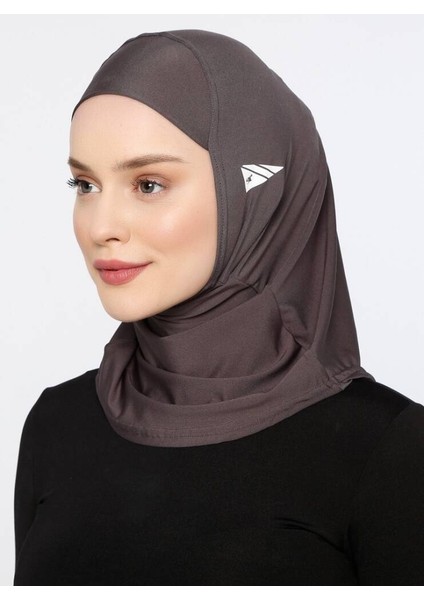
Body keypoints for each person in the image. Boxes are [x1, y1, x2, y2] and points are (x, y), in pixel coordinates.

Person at [13, 29, 424, 585]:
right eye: (84, 184)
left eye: (148, 184)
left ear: (255, 192)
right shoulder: (57, 425)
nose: (100, 226)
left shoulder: (385, 450)